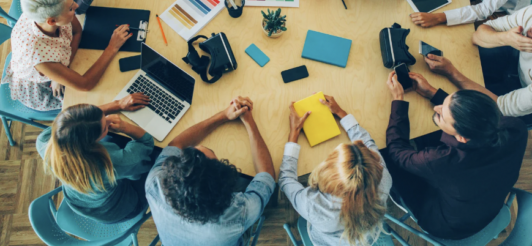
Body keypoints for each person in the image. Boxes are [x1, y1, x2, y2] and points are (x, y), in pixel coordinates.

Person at [383, 70, 528, 240]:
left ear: (461, 138)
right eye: (443, 103)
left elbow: (397, 152)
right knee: (428, 137)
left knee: (387, 158)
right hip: (487, 203)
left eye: (441, 115)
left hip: (449, 225)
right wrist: (431, 92)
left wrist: (398, 100)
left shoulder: (443, 161)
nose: (437, 108)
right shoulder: (515, 127)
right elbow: (474, 115)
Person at [146, 96, 275, 246]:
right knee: (246, 180)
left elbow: (177, 144)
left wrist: (224, 115)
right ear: (221, 189)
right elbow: (267, 177)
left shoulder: (155, 183)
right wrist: (249, 122)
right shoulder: (236, 215)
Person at [1, 0, 131, 111]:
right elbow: (85, 85)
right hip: (43, 87)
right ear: (52, 21)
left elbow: (77, 32)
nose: (76, 6)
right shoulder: (38, 56)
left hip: (56, 66)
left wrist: (63, 69)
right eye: (70, 8)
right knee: (98, 100)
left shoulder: (50, 12)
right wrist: (112, 47)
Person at [279, 96, 392, 246]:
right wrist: (341, 112)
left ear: (328, 174)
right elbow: (367, 143)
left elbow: (286, 179)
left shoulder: (313, 206)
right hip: (368, 235)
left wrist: (294, 132)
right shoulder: (383, 176)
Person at [37, 97, 154, 223]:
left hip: (81, 203)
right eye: (105, 127)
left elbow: (76, 122)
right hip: (120, 209)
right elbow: (146, 143)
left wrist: (117, 105)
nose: (108, 121)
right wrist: (125, 127)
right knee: (157, 158)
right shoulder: (110, 163)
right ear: (89, 141)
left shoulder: (45, 142)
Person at [421, 28, 532, 125]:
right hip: (516, 59)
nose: (529, 29)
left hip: (515, 103)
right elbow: (478, 35)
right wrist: (506, 37)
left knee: (470, 106)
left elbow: (500, 107)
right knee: (463, 57)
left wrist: (451, 72)